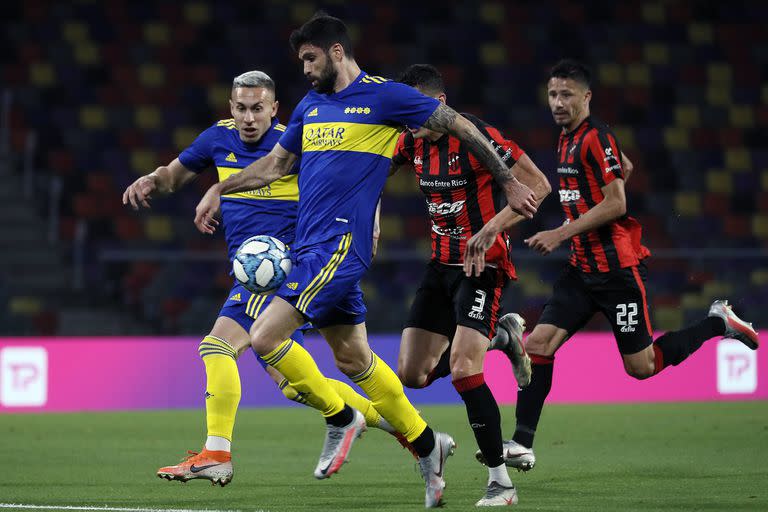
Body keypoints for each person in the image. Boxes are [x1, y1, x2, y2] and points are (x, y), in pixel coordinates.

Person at [193, 13, 538, 508]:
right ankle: (428, 445)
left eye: (310, 58)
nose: (305, 69)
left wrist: (505, 180)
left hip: (337, 246)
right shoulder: (312, 106)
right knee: (353, 359)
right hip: (307, 249)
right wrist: (220, 188)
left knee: (266, 336)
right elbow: (275, 165)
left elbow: (457, 123)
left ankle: (341, 417)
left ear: (336, 52)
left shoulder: (385, 96)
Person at [122, 70, 408, 487]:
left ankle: (217, 452)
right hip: (254, 271)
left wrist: (374, 225)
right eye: (241, 108)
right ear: (231, 108)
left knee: (218, 345)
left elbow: (356, 179)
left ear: (275, 109)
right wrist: (151, 179)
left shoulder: (297, 140)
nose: (249, 117)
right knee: (293, 385)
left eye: (258, 108)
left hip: (286, 265)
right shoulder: (218, 138)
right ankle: (406, 430)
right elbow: (173, 175)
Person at [480, 59, 760, 472]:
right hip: (581, 271)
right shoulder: (567, 138)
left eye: (567, 95)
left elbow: (618, 202)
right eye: (553, 94)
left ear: (586, 97)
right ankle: (522, 442)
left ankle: (718, 323)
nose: (557, 102)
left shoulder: (596, 136)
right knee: (538, 345)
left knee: (641, 368)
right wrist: (616, 171)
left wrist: (560, 232)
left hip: (617, 272)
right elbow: (619, 170)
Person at [389, 64, 551, 506]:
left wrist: (492, 228)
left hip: (484, 266)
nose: (407, 122)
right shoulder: (410, 139)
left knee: (463, 368)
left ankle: (501, 482)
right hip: (439, 265)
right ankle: (501, 337)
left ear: (439, 105)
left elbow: (537, 184)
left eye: (414, 111)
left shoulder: (477, 136)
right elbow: (370, 176)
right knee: (413, 374)